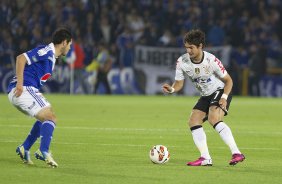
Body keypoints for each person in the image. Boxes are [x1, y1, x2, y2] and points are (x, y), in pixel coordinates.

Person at [162, 29, 245, 166]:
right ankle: (205, 158)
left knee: (214, 118)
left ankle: (236, 153)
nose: (188, 51)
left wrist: (224, 97)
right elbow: (178, 84)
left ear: (200, 46)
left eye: (191, 48)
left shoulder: (211, 60)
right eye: (186, 47)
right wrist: (171, 89)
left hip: (220, 90)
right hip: (206, 95)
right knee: (193, 121)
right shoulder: (182, 61)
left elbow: (229, 81)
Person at [7, 27, 72, 168]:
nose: (70, 48)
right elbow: (20, 58)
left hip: (24, 90)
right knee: (51, 117)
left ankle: (24, 147)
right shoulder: (46, 51)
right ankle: (44, 151)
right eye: (70, 44)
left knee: (45, 117)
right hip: (23, 89)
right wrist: (19, 83)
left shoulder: (52, 57)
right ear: (64, 42)